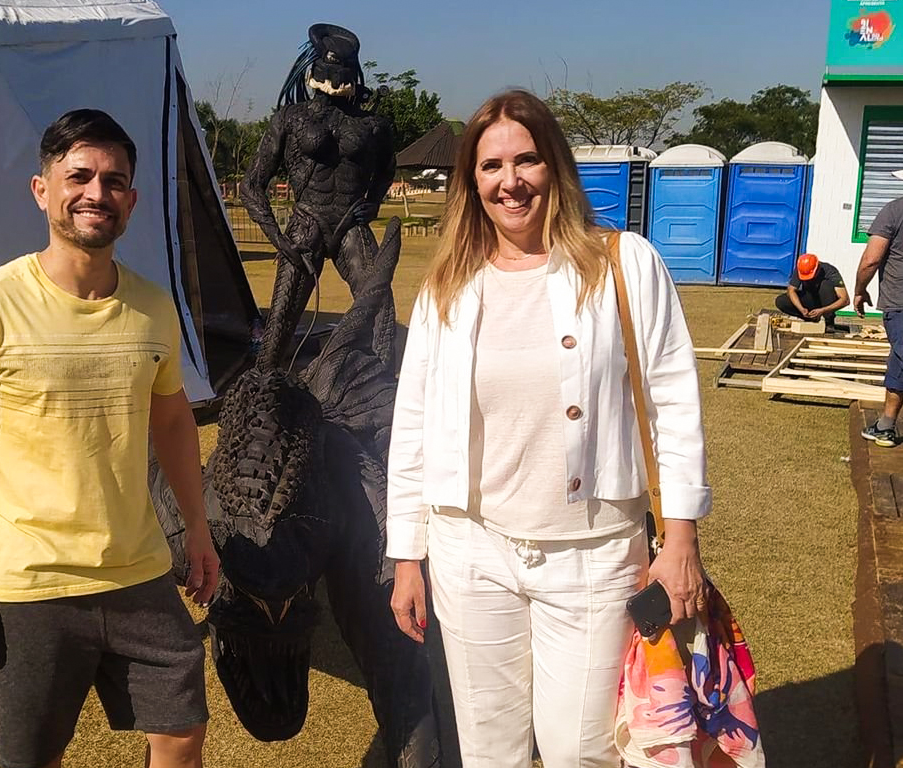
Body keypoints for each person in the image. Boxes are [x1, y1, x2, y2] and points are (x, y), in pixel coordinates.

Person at [385, 90, 711, 768]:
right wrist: (407, 555)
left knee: (583, 752)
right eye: (491, 166)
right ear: (471, 182)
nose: (510, 181)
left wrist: (680, 538)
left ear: (554, 167)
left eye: (527, 160)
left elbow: (674, 401)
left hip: (593, 554)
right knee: (488, 750)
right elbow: (412, 421)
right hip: (471, 551)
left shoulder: (623, 263)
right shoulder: (447, 285)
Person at [0, 109, 219, 768]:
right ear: (42, 189)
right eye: (79, 175)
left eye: (114, 181)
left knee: (182, 733)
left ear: (131, 200)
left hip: (139, 573)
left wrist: (197, 528)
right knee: (31, 757)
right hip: (31, 585)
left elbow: (170, 422)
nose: (96, 193)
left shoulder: (152, 307)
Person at [240, 23, 397, 370]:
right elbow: (251, 185)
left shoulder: (374, 126)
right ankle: (263, 395)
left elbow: (387, 169)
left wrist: (373, 203)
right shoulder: (289, 119)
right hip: (306, 224)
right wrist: (277, 238)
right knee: (281, 320)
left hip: (349, 224)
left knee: (381, 309)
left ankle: (382, 392)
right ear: (315, 69)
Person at [856, 170, 903, 448]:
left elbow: (870, 261)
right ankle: (885, 426)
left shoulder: (894, 211)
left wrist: (860, 290)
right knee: (899, 362)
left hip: (901, 304)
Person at [774, 253, 849, 327]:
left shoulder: (830, 271)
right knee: (781, 301)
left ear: (817, 268)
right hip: (810, 298)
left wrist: (823, 310)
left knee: (826, 285)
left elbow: (845, 300)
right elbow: (791, 290)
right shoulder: (801, 269)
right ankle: (810, 318)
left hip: (825, 302)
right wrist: (801, 309)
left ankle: (828, 322)